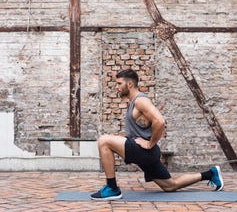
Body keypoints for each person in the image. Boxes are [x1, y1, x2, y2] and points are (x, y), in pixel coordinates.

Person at [90, 68, 224, 201]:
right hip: (147, 152)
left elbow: (159, 121)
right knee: (170, 185)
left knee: (104, 141)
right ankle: (210, 174)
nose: (117, 87)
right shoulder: (134, 101)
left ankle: (112, 188)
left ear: (129, 84)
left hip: (144, 150)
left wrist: (150, 143)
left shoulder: (140, 100)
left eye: (119, 83)